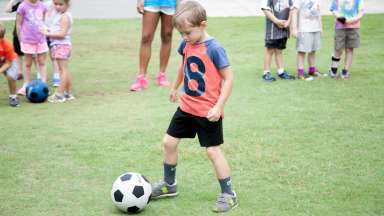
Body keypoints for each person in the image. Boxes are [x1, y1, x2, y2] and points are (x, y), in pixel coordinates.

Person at [150, 0, 237, 213]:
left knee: (212, 152)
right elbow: (184, 64)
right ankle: (170, 185)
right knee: (169, 142)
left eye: (188, 33)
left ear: (203, 24)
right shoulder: (187, 44)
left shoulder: (214, 48)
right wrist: (175, 86)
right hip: (187, 107)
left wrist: (219, 106)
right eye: (181, 34)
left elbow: (229, 78)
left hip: (208, 111)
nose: (184, 38)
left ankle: (228, 194)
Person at [130, 0, 177, 91]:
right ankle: (141, 78)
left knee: (167, 36)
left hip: (170, 3)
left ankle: (161, 75)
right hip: (151, 2)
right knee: (146, 36)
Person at [39, 0, 74, 102]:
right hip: (59, 45)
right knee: (64, 70)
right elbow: (57, 29)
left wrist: (47, 33)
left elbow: (62, 34)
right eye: (56, 4)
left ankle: (60, 95)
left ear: (67, 4)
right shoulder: (60, 14)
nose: (58, 7)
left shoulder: (64, 17)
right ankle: (68, 93)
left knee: (62, 70)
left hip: (61, 45)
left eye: (61, 4)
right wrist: (48, 29)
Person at [16, 0, 48, 95]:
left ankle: (44, 84)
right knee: (27, 64)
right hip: (27, 40)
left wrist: (46, 33)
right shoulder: (22, 6)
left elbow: (43, 22)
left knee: (42, 63)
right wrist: (20, 40)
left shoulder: (43, 6)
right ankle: (25, 85)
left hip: (40, 40)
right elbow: (18, 25)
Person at [329, 0, 365, 80]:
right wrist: (341, 18)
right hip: (340, 27)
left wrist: (352, 20)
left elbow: (361, 12)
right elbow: (333, 10)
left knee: (349, 49)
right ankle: (333, 69)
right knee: (338, 49)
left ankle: (345, 71)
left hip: (353, 27)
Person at [261, 0, 296, 82]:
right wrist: (276, 21)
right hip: (272, 29)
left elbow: (292, 8)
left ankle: (281, 72)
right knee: (270, 50)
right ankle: (266, 73)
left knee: (279, 50)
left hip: (284, 27)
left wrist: (288, 22)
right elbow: (265, 9)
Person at [291, 0, 325, 80]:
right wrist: (294, 28)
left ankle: (312, 70)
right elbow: (294, 12)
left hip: (315, 28)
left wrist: (321, 27)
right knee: (302, 51)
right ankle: (300, 73)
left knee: (313, 50)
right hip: (304, 29)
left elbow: (318, 12)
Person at [0, 23, 20, 107]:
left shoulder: (7, 45)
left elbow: (8, 63)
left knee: (11, 76)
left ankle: (13, 97)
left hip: (8, 60)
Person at [43, 0, 60, 87]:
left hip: (53, 33)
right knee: (42, 57)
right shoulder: (42, 4)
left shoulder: (54, 3)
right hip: (43, 33)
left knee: (54, 56)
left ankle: (56, 77)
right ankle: (41, 78)